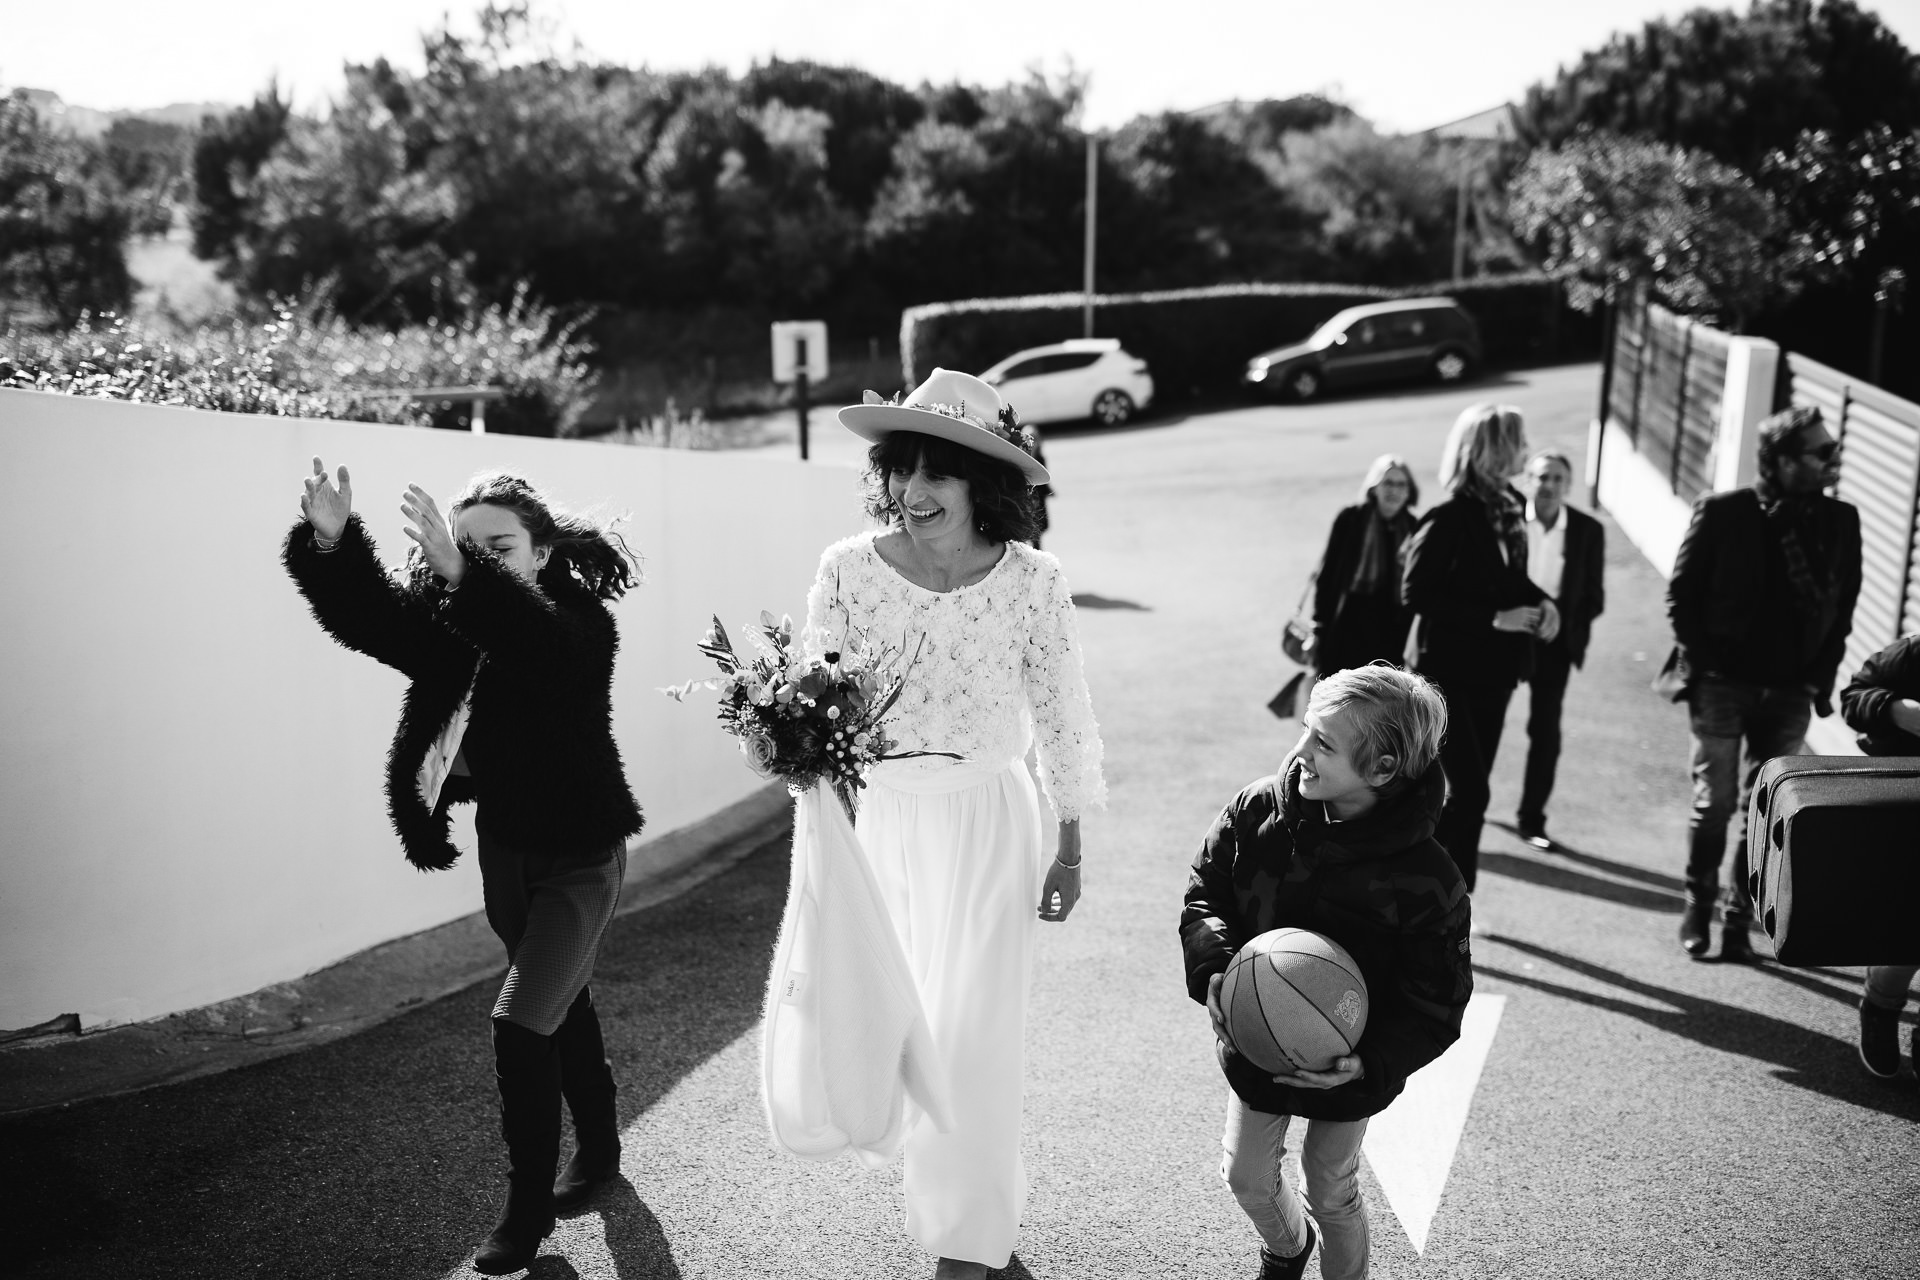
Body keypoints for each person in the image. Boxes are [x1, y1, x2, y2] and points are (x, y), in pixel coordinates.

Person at [284, 462, 644, 1275]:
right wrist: (333, 543)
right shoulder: (451, 623)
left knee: (521, 1018)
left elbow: (542, 651)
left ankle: (525, 1215)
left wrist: (460, 574)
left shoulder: (582, 625)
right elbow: (369, 617)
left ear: (541, 553)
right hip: (507, 851)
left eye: (499, 546)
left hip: (584, 853)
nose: (476, 557)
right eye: (463, 542)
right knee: (563, 996)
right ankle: (603, 1146)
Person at [810, 369, 1106, 1279]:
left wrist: (1069, 842)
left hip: (993, 823)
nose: (914, 491)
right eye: (903, 468)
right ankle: (976, 1213)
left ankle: (968, 1242)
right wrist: (788, 744)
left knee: (975, 1039)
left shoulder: (1033, 582)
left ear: (987, 485)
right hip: (881, 825)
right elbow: (813, 704)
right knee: (902, 1029)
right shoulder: (848, 569)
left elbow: (1062, 714)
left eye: (940, 472)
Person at [1180, 665, 1473, 1280]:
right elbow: (1207, 891)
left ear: (1383, 768)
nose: (1301, 752)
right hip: (1258, 1039)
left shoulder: (1428, 879)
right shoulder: (1260, 809)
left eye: (1325, 743)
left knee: (1329, 1187)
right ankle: (1287, 1247)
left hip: (1349, 1057)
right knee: (1246, 1177)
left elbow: (1437, 1000)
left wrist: (1370, 1062)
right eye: (1306, 730)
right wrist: (1215, 966)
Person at [1667, 405, 1861, 963]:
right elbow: (1681, 596)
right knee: (1716, 802)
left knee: (1765, 811)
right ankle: (1696, 904)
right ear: (1779, 460)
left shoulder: (1841, 520)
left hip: (1791, 690)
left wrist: (1817, 680)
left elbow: (1843, 608)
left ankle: (1737, 920)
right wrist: (1705, 669)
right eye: (1821, 452)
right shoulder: (1724, 512)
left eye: (1833, 449)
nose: (1833, 459)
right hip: (1722, 686)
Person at [1402, 404, 1558, 891]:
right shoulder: (1449, 516)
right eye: (1517, 439)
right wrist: (1494, 618)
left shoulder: (1510, 505)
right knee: (1471, 793)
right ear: (1492, 450)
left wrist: (1542, 601)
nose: (1525, 448)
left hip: (1496, 669)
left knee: (1472, 797)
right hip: (1447, 670)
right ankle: (1417, 888)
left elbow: (1509, 579)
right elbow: (1416, 592)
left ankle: (1454, 900)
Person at [1513, 450, 1607, 850]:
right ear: (1527, 481)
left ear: (1568, 486)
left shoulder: (1587, 530)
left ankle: (1532, 818)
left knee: (1545, 732)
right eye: (1541, 477)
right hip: (1506, 634)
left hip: (1554, 643)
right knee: (1480, 724)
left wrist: (1560, 622)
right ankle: (1462, 805)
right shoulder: (1511, 522)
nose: (1548, 485)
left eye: (1556, 479)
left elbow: (1594, 597)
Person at [1838, 632, 1920, 1079]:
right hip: (1908, 803)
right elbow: (1854, 698)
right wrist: (1896, 711)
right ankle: (1881, 1004)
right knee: (1908, 930)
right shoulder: (1914, 653)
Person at [1309, 454, 1419, 679]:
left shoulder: (1413, 527)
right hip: (1348, 630)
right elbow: (1328, 575)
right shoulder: (1351, 519)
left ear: (1409, 491)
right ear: (1374, 487)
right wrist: (1319, 625)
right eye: (1388, 483)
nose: (1394, 491)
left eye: (1401, 484)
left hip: (1392, 636)